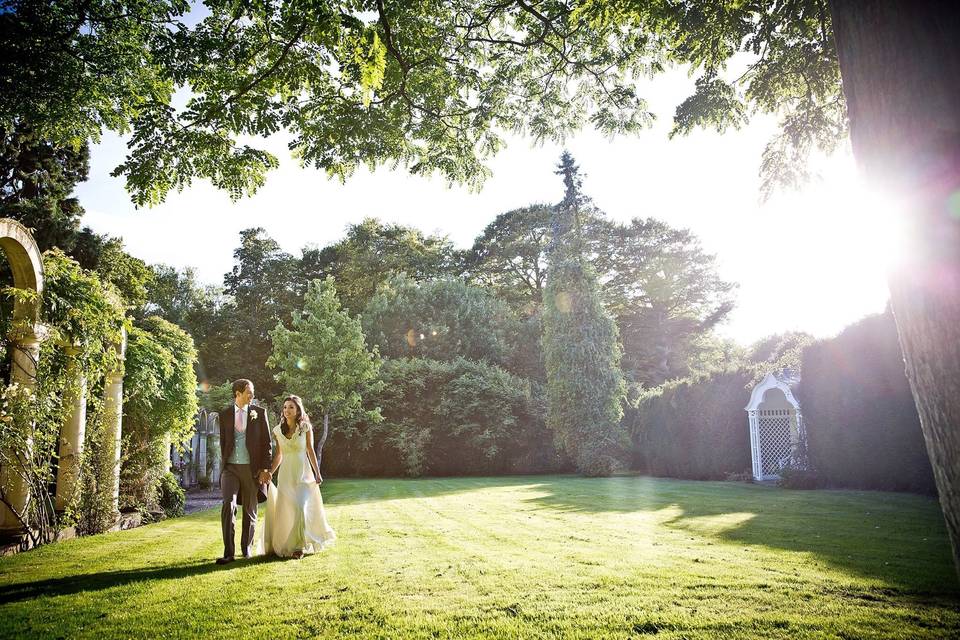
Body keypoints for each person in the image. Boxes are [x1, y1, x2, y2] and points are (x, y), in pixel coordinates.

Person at [261, 395, 335, 558]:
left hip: (304, 475)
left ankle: (298, 547)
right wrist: (270, 473)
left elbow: (310, 450)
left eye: (291, 407)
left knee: (300, 507)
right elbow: (279, 455)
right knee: (287, 510)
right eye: (285, 407)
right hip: (286, 476)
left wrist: (317, 472)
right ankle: (287, 543)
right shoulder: (277, 430)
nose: (287, 410)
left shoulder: (305, 428)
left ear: (298, 410)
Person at [216, 378, 272, 565]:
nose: (252, 396)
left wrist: (265, 468)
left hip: (251, 469)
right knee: (228, 505)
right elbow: (224, 443)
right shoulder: (223, 415)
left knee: (250, 510)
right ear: (237, 394)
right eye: (249, 392)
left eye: (252, 392)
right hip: (230, 468)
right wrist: (223, 464)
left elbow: (267, 444)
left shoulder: (259, 413)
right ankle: (228, 553)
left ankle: (246, 549)